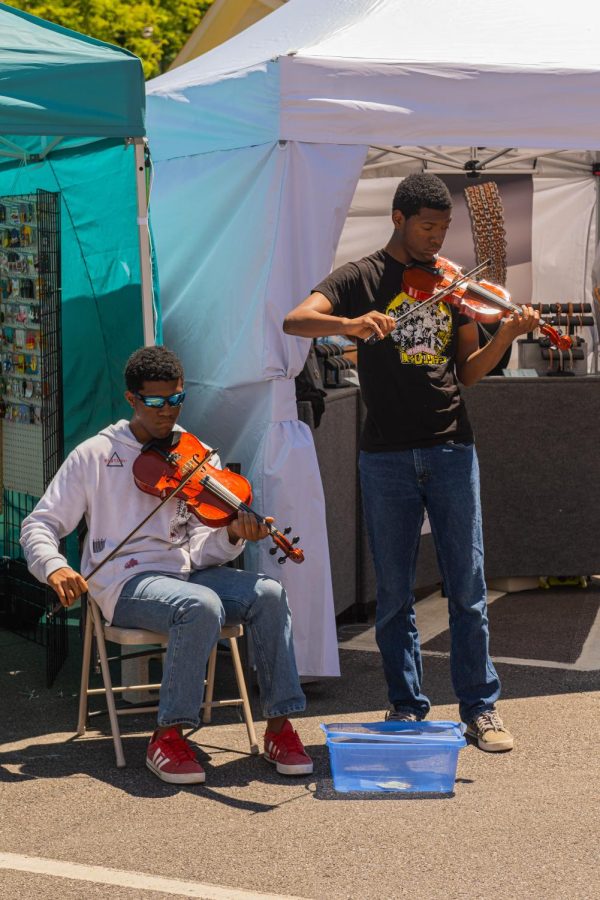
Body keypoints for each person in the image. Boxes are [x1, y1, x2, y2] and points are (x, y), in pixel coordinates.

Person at [283, 172, 540, 752]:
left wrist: (505, 337)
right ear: (397, 219)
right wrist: (349, 324)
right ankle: (406, 708)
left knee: (467, 585)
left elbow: (469, 372)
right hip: (386, 456)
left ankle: (481, 709)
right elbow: (295, 320)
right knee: (395, 592)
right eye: (427, 228)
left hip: (451, 446)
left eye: (444, 229)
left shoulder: (453, 284)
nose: (437, 241)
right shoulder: (361, 276)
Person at [20, 346, 312, 783]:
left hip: (186, 573)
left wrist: (232, 534)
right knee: (200, 606)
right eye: (155, 402)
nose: (167, 412)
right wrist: (54, 566)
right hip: (126, 582)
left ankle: (280, 726)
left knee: (268, 592)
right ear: (132, 399)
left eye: (176, 399)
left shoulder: (197, 455)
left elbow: (202, 549)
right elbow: (39, 523)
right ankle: (168, 736)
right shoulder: (95, 454)